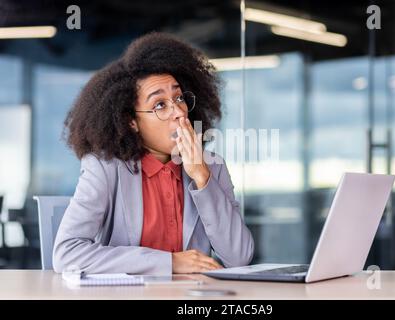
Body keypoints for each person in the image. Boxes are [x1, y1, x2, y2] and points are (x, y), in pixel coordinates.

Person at [53, 32, 254, 275]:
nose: (179, 112)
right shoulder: (104, 169)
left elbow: (239, 258)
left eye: (178, 98)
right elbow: (67, 253)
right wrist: (170, 263)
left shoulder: (212, 167)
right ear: (131, 122)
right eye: (160, 105)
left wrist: (202, 178)